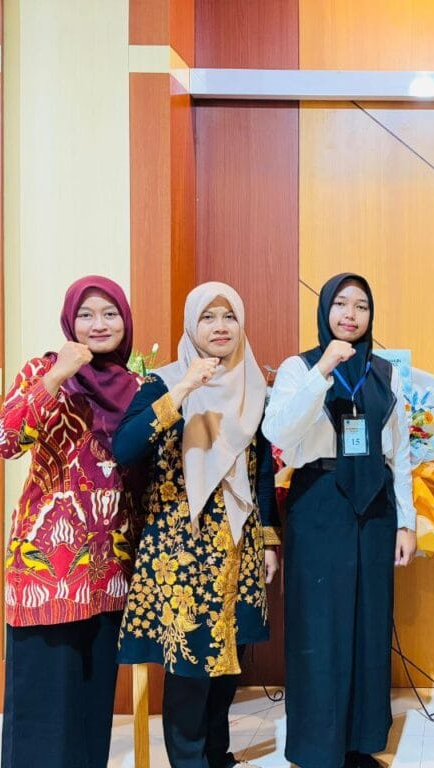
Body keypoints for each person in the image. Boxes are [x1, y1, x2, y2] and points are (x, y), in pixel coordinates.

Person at [114, 282, 279, 768]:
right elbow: (125, 448)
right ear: (192, 325)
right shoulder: (162, 382)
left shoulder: (253, 385)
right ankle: (188, 761)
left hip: (238, 540)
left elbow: (262, 471)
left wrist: (268, 539)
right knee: (188, 661)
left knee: (228, 658)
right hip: (180, 545)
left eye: (229, 316)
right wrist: (184, 388)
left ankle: (216, 754)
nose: (220, 327)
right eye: (208, 317)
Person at [263, 273, 417, 768]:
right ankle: (316, 748)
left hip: (374, 503)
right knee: (319, 626)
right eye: (342, 304)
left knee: (369, 623)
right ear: (325, 309)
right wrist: (323, 370)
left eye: (361, 306)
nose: (351, 314)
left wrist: (407, 522)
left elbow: (399, 452)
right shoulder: (299, 367)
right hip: (319, 500)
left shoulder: (385, 373)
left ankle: (359, 743)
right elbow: (279, 432)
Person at [0, 275, 140, 768]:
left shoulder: (136, 387)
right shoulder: (43, 370)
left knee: (91, 707)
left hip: (108, 567)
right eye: (86, 315)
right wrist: (57, 376)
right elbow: (4, 440)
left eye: (110, 314)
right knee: (41, 703)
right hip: (47, 569)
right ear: (70, 322)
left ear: (125, 321)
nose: (99, 324)